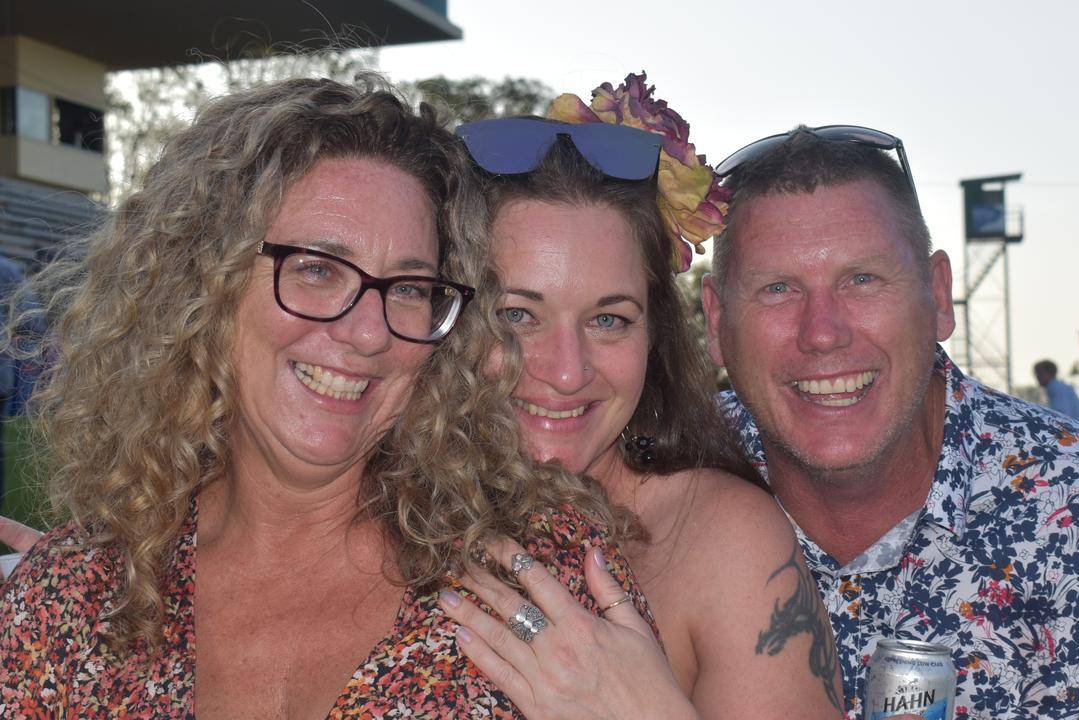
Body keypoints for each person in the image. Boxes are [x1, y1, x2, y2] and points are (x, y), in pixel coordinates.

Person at [0, 75, 653, 716]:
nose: (369, 334)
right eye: (316, 269)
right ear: (203, 286)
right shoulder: (70, 599)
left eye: (407, 287)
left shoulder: (542, 579)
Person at [700, 125, 1079, 718]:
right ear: (716, 322)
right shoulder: (656, 494)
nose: (822, 332)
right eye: (776, 289)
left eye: (862, 279)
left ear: (939, 296)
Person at [438, 74, 844, 720]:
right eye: (517, 315)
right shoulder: (366, 503)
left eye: (608, 320)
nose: (567, 373)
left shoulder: (718, 543)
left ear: (654, 335)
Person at [1032, 358, 1079, 427]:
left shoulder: (1058, 389)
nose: (1037, 376)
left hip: (1077, 432)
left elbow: (1062, 416)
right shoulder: (1059, 388)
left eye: (1039, 373)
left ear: (1049, 373)